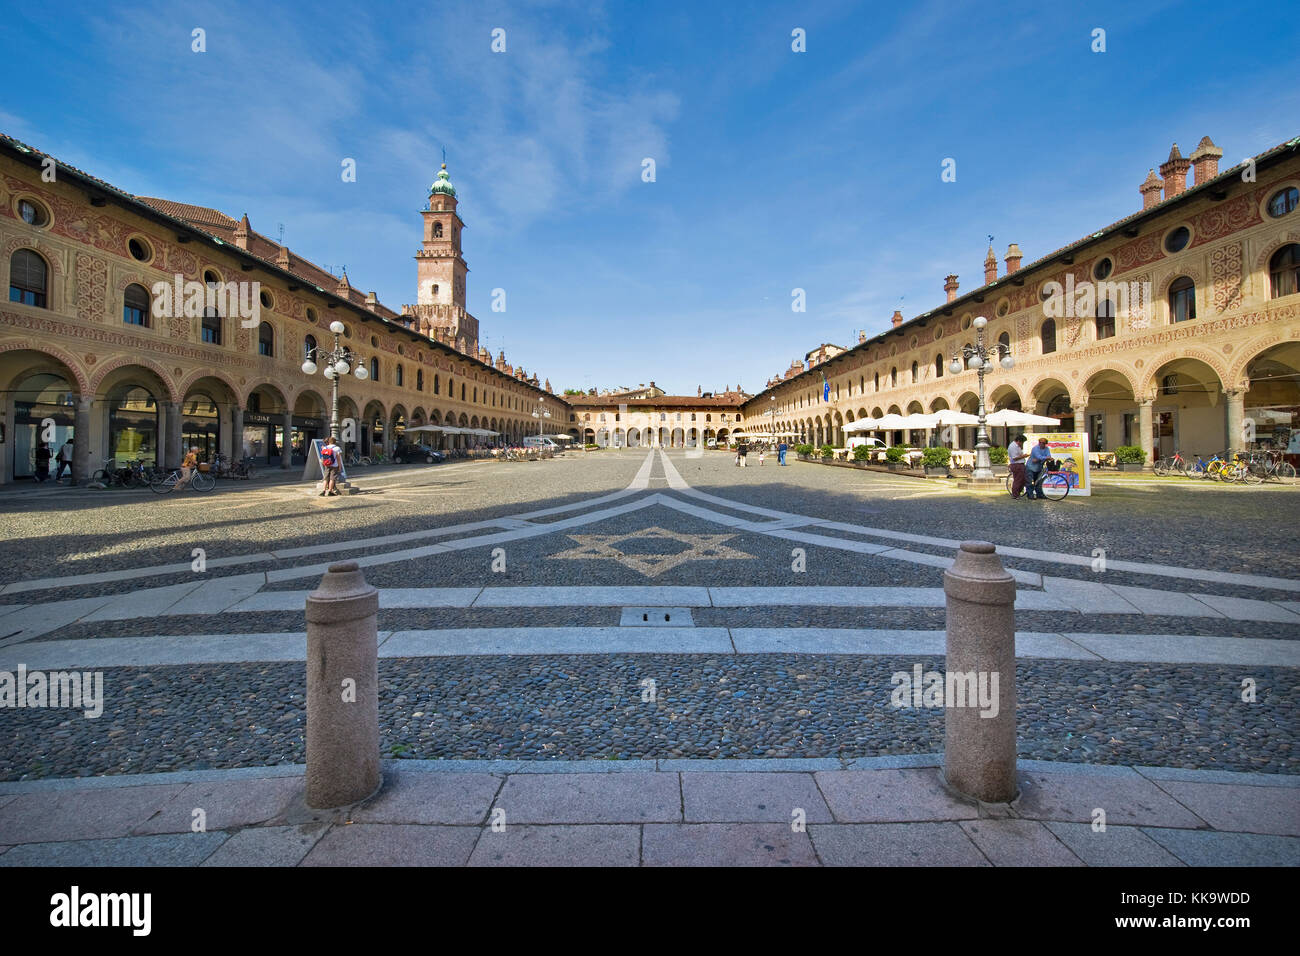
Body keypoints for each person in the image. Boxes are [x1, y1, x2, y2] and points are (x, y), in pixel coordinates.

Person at [1007, 433, 1028, 499]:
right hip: (1016, 465)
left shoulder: (1017, 446)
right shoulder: (1013, 446)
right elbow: (1015, 458)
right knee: (1018, 480)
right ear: (1019, 441)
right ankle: (1015, 494)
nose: (1022, 444)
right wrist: (1024, 456)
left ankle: (1017, 493)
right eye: (1022, 442)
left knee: (1022, 480)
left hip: (1020, 464)